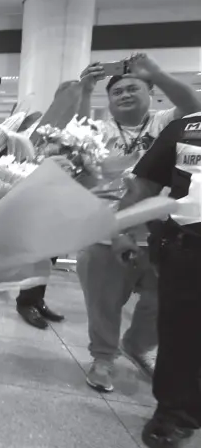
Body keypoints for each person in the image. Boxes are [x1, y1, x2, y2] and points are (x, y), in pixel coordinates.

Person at [76, 53, 200, 393]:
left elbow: (194, 108)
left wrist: (157, 72)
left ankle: (138, 344)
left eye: (133, 88)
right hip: (106, 228)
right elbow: (74, 137)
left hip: (162, 231)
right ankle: (103, 358)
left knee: (161, 299)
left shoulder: (164, 124)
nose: (126, 95)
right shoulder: (101, 130)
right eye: (117, 92)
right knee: (104, 300)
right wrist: (85, 91)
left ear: (150, 93)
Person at [111, 111, 200, 448]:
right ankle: (176, 412)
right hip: (190, 245)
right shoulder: (187, 128)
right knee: (181, 334)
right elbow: (144, 184)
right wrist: (121, 230)